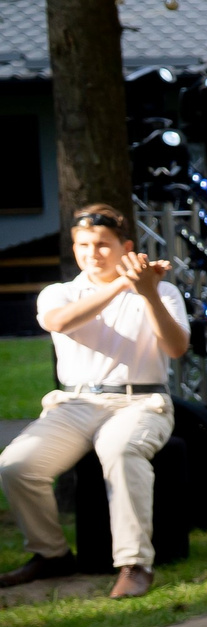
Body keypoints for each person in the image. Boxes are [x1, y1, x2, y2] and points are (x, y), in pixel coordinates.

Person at [0, 207, 190, 599]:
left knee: (120, 451)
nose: (93, 252)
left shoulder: (163, 290)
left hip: (141, 400)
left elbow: (175, 347)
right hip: (75, 403)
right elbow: (59, 322)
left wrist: (148, 292)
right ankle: (51, 554)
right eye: (83, 245)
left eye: (103, 244)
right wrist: (123, 284)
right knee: (15, 466)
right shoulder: (60, 292)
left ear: (125, 247)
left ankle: (134, 564)